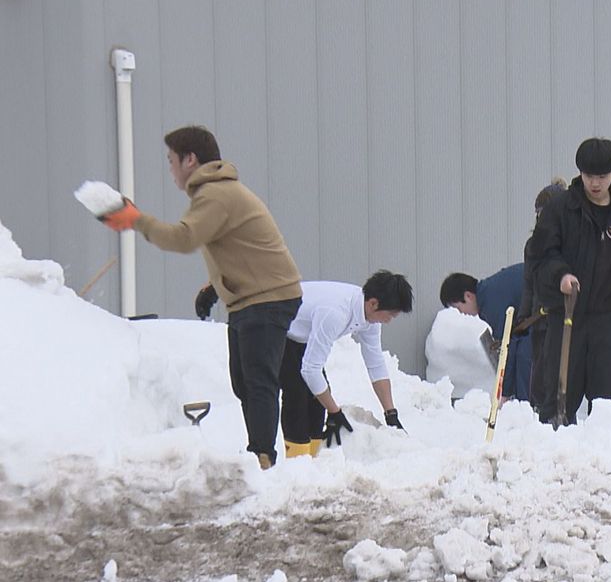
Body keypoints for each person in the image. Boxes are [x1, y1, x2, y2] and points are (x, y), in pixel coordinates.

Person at [98, 126, 301, 470]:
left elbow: (184, 238)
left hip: (267, 297)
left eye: (171, 161)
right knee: (244, 382)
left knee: (257, 380)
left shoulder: (216, 194)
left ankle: (263, 459)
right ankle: (260, 455)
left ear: (190, 159)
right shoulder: (217, 193)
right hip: (250, 298)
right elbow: (237, 244)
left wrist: (135, 220)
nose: (171, 170)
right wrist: (213, 286)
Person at [526, 138, 611, 425]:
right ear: (579, 173)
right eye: (588, 176)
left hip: (609, 318)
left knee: (610, 398)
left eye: (602, 176)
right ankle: (556, 454)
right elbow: (541, 255)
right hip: (567, 315)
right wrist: (561, 275)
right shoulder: (560, 209)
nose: (595, 183)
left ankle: (606, 459)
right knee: (558, 398)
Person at [280, 271, 413, 458]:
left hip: (302, 335)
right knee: (297, 395)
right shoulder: (335, 313)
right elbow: (310, 370)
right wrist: (334, 411)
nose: (389, 321)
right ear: (373, 303)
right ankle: (296, 464)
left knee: (316, 402)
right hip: (276, 327)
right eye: (390, 315)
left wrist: (391, 413)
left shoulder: (371, 317)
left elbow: (375, 363)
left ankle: (313, 462)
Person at [440, 266, 533, 402]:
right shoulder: (489, 293)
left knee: (523, 355)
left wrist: (505, 393)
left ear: (468, 296)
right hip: (535, 314)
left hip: (549, 311)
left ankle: (527, 410)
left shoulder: (492, 303)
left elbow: (507, 346)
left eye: (458, 307)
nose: (460, 313)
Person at [521, 178, 568, 412]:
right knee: (540, 370)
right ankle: (540, 410)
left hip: (564, 317)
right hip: (539, 318)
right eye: (539, 214)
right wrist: (524, 314)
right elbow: (529, 282)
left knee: (561, 370)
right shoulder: (533, 245)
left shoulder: (572, 242)